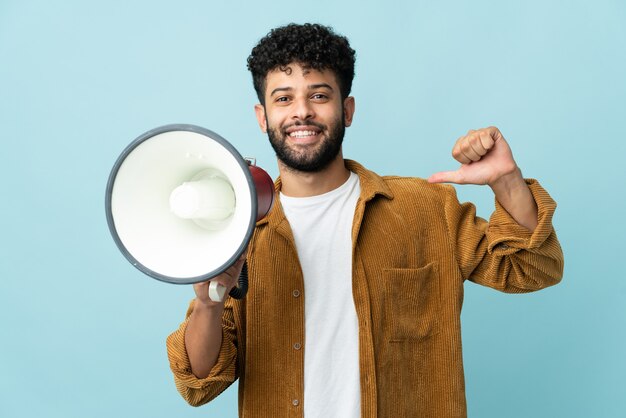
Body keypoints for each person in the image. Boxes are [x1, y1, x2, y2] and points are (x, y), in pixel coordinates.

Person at [166, 23, 564, 418]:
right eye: (284, 98)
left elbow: (533, 268)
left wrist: (506, 181)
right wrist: (208, 305)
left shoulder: (425, 208)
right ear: (262, 116)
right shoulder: (238, 231)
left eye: (318, 95)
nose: (302, 111)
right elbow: (198, 383)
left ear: (347, 109)